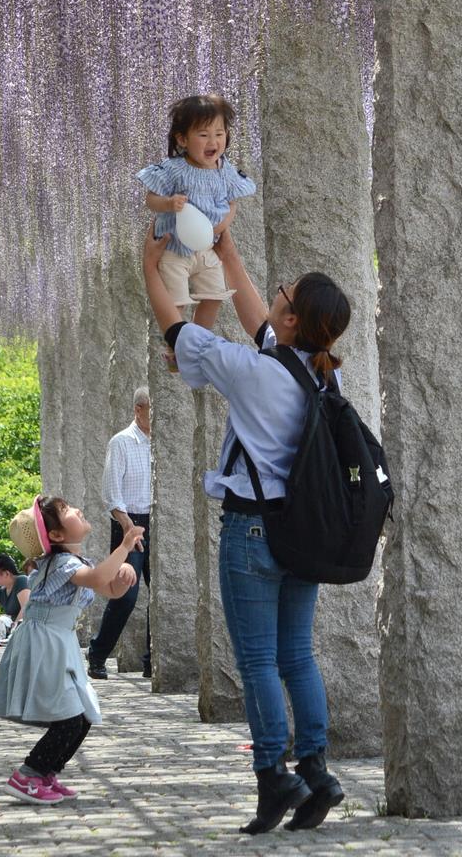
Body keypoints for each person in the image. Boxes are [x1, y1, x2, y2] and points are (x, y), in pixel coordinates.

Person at [143, 224, 350, 836]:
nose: (274, 298)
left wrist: (152, 267)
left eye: (282, 295)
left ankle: (273, 775)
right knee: (296, 657)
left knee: (259, 660)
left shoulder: (254, 371)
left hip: (253, 533)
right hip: (301, 533)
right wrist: (227, 253)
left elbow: (179, 333)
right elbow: (263, 325)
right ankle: (317, 771)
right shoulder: (318, 373)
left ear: (293, 321)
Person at [0, 495, 145, 805]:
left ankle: (46, 772)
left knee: (82, 715)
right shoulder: (61, 563)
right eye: (65, 510)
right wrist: (124, 547)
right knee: (70, 717)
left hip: (58, 642)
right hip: (44, 644)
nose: (76, 508)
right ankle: (29, 774)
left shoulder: (74, 563)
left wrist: (125, 577)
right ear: (57, 536)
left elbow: (108, 587)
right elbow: (100, 577)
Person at [136, 94, 256, 370]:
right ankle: (175, 349)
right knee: (176, 302)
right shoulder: (174, 169)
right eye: (203, 134)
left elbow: (232, 204)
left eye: (220, 133)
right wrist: (168, 203)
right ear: (182, 139)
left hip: (206, 248)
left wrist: (222, 226)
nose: (214, 141)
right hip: (175, 250)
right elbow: (150, 200)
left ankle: (196, 345)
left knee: (214, 295)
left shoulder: (225, 171)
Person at [87, 386, 152, 680]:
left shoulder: (161, 442)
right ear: (139, 409)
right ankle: (98, 654)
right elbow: (112, 495)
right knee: (126, 592)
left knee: (164, 592)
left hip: (158, 520)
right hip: (130, 522)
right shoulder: (122, 442)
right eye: (153, 411)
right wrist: (128, 528)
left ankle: (153, 658)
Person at [0, 554, 30, 631]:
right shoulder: (3, 591)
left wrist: (13, 631)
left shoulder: (21, 581)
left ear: (6, 574)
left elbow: (26, 608)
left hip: (24, 632)